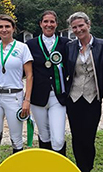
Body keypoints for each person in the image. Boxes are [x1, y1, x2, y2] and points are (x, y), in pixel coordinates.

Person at [0, 14, 33, 172]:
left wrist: (27, 100)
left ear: (13, 28)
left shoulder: (22, 47)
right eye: (1, 26)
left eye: (7, 26)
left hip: (14, 96)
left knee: (16, 139)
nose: (4, 29)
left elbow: (29, 75)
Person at [65, 12, 103, 172]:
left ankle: (87, 168)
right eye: (74, 27)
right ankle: (79, 167)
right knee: (76, 136)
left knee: (89, 137)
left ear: (88, 25)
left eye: (81, 25)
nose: (78, 29)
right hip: (74, 98)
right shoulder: (70, 47)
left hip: (92, 98)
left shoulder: (102, 45)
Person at [26, 10, 69, 155]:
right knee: (44, 136)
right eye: (46, 21)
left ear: (56, 24)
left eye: (52, 21)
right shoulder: (30, 44)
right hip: (38, 97)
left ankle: (60, 166)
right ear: (40, 24)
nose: (48, 25)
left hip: (58, 96)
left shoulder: (66, 43)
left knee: (57, 139)